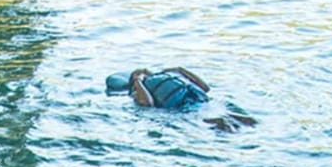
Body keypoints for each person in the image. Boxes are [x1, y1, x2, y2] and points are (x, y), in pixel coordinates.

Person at [105, 66, 257, 132]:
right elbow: (149, 103)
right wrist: (138, 81)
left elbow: (205, 88)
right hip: (189, 109)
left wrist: (180, 70)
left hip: (197, 103)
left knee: (238, 120)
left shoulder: (169, 78)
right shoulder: (137, 93)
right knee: (224, 120)